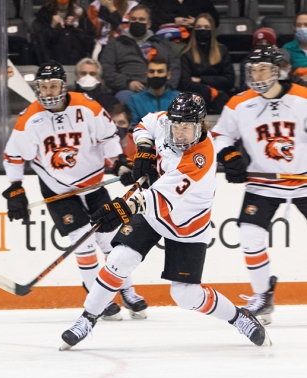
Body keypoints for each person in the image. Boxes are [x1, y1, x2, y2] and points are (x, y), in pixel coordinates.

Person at [60, 92, 270, 350]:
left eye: (187, 127)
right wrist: (146, 149)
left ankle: (239, 317)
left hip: (187, 224)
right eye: (176, 125)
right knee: (119, 259)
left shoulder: (200, 158)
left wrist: (123, 208)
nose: (180, 133)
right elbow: (143, 124)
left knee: (185, 295)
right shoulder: (163, 122)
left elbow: (159, 198)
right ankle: (87, 318)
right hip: (152, 213)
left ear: (201, 125)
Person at [2, 61, 147, 321]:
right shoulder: (30, 118)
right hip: (58, 190)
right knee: (82, 239)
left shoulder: (88, 106)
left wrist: (119, 162)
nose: (48, 92)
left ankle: (127, 290)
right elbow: (13, 156)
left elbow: (108, 137)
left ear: (63, 85)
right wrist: (15, 189)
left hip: (94, 184)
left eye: (53, 86)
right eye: (43, 87)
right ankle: (95, 295)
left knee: (111, 239)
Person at [212, 45, 307, 325]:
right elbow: (219, 136)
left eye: (263, 68)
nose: (257, 74)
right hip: (262, 184)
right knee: (250, 236)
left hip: (304, 181)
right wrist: (229, 156)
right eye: (252, 70)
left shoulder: (303, 98)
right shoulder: (239, 103)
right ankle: (263, 295)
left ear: (277, 70)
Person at [100, 4, 181, 104]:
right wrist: (127, 83)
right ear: (129, 21)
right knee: (123, 97)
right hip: (130, 91)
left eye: (141, 19)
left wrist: (168, 86)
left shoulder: (162, 43)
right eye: (133, 19)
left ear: (149, 24)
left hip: (162, 89)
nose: (137, 22)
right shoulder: (115, 43)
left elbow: (175, 65)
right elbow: (107, 69)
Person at [179, 13, 234, 115]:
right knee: (203, 94)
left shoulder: (222, 50)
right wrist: (208, 88)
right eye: (199, 27)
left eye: (206, 27)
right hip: (196, 96)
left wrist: (200, 79)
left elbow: (229, 79)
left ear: (212, 30)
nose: (202, 30)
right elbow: (184, 82)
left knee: (223, 101)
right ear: (194, 30)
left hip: (219, 94)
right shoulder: (187, 53)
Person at [34, 0, 95, 65]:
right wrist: (52, 27)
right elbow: (40, 42)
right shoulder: (45, 13)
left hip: (76, 62)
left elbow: (88, 41)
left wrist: (73, 28)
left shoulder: (80, 13)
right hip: (52, 61)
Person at [127, 55, 179, 128]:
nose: (155, 75)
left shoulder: (180, 99)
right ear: (146, 75)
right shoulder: (134, 100)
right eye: (151, 71)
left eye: (160, 71)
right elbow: (133, 128)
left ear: (168, 75)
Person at [139, 0, 219, 33]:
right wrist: (173, 21)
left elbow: (215, 20)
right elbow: (145, 17)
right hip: (164, 42)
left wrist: (198, 22)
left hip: (195, 42)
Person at [239, 27, 277, 92]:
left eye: (267, 43)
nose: (263, 46)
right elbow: (244, 88)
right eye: (259, 43)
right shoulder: (247, 63)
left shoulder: (279, 61)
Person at [283, 12, 307, 85]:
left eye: (306, 25)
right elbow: (283, 73)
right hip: (297, 87)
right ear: (294, 28)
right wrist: (298, 79)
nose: (302, 28)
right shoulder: (287, 48)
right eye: (298, 25)